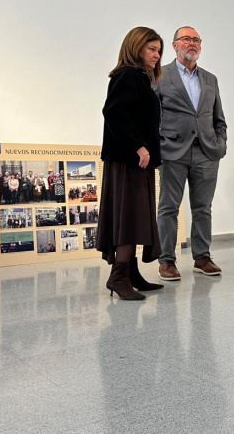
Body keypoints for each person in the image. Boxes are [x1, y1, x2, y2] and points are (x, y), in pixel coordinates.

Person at [97, 26, 167, 300]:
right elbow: (114, 113)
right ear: (136, 47)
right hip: (130, 161)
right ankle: (118, 277)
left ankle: (130, 273)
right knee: (129, 218)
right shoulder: (128, 75)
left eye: (159, 51)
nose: (157, 55)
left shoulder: (140, 78)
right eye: (152, 49)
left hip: (137, 161)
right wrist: (139, 146)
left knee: (136, 217)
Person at [155, 26, 227, 280]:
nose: (192, 43)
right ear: (175, 45)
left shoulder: (210, 79)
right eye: (186, 39)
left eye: (196, 40)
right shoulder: (160, 75)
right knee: (168, 208)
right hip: (172, 152)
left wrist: (220, 144)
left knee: (203, 208)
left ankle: (202, 258)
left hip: (206, 152)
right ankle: (166, 260)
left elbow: (218, 117)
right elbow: (151, 117)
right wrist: (157, 147)